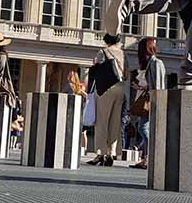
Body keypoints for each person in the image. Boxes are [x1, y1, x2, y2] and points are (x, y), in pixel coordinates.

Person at [87, 34, 128, 167]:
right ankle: (111, 153)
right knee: (115, 122)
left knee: (102, 121)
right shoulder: (123, 54)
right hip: (120, 88)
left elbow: (96, 68)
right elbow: (127, 74)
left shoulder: (103, 52)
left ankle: (100, 154)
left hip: (105, 88)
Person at [131, 37, 163, 170]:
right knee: (144, 128)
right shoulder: (153, 62)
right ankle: (146, 158)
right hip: (152, 98)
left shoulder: (155, 63)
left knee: (143, 129)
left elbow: (156, 85)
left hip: (152, 100)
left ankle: (151, 157)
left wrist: (142, 88)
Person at [66, 70, 88, 151]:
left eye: (69, 75)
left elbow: (63, 94)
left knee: (74, 130)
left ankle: (76, 147)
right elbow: (87, 97)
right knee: (83, 132)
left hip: (73, 110)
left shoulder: (70, 85)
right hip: (81, 111)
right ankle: (84, 149)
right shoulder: (80, 86)